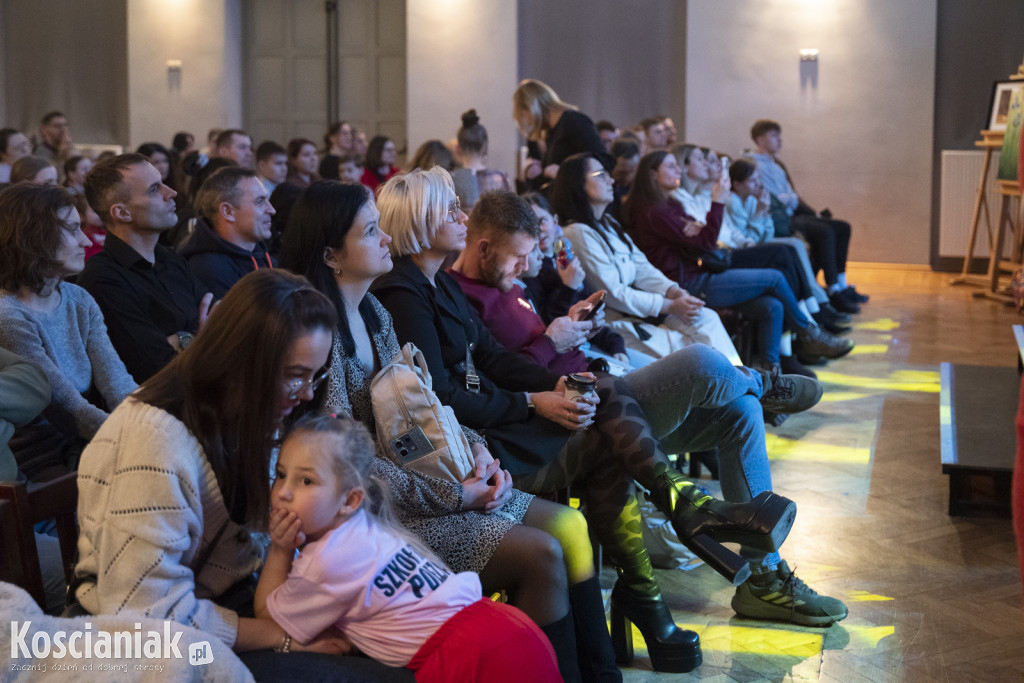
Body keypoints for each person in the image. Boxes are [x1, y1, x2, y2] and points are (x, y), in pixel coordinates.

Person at [370, 167, 813, 672]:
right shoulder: (407, 291)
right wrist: (537, 399)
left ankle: (661, 570)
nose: (462, 217)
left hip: (524, 409)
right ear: (421, 221)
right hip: (480, 447)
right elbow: (442, 396)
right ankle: (681, 524)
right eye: (450, 210)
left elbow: (493, 357)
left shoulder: (438, 286)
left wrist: (552, 384)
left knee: (715, 408)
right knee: (651, 395)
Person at [279, 180, 620, 682]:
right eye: (370, 231)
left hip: (425, 483)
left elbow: (428, 406)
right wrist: (455, 494)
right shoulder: (318, 335)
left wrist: (479, 455)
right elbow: (347, 467)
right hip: (373, 515)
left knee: (571, 526)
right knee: (542, 554)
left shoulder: (373, 312)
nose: (385, 239)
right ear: (331, 255)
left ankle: (599, 675)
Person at [72, 269, 417, 680]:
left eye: (315, 375)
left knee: (409, 648)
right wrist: (279, 636)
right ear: (240, 359)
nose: (307, 393)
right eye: (295, 375)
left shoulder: (248, 409)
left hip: (239, 603)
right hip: (157, 647)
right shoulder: (154, 442)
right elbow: (144, 614)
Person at [256, 414, 561, 682]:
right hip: (508, 630)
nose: (283, 492)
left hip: (470, 659)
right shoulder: (367, 529)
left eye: (306, 481)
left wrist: (281, 549)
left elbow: (267, 621)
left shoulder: (322, 562)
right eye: (281, 475)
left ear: (350, 500)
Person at [622, 151, 854, 370]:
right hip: (687, 285)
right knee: (775, 277)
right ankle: (808, 332)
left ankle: (772, 376)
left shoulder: (668, 204)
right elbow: (706, 241)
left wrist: (703, 230)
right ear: (652, 173)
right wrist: (718, 203)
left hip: (698, 273)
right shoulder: (654, 211)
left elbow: (701, 236)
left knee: (772, 305)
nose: (678, 171)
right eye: (671, 166)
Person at [550, 152, 743, 366]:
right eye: (600, 174)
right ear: (577, 184)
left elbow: (642, 267)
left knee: (706, 318)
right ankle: (741, 386)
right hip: (616, 323)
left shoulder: (607, 223)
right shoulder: (576, 233)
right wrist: (669, 305)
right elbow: (613, 293)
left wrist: (672, 290)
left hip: (643, 311)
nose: (611, 180)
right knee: (690, 348)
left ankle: (745, 380)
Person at [0, 184, 136, 481]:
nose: (86, 240)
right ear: (34, 235)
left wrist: (152, 423)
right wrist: (138, 442)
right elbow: (65, 408)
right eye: (73, 229)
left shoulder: (77, 298)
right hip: (36, 463)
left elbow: (118, 383)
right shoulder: (8, 315)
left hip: (84, 444)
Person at [77, 153, 214, 382]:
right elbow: (156, 366)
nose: (171, 193)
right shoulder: (103, 279)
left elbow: (219, 319)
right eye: (154, 189)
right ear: (122, 212)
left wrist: (180, 339)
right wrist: (198, 336)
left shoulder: (169, 258)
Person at [749, 119, 868, 311]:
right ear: (759, 139)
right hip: (782, 219)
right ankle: (832, 290)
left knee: (842, 226)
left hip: (792, 213)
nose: (779, 141)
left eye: (780, 136)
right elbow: (776, 198)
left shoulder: (776, 165)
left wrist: (801, 205)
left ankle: (841, 283)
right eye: (774, 136)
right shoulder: (756, 164)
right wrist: (790, 199)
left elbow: (792, 197)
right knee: (825, 231)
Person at [724, 157, 851, 335]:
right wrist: (760, 215)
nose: (757, 185)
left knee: (794, 245)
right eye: (752, 181)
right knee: (787, 251)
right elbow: (748, 241)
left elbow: (765, 234)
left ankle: (817, 306)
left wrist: (763, 213)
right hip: (742, 252)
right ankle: (814, 312)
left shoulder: (752, 200)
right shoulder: (733, 202)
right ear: (737, 184)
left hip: (756, 243)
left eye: (758, 180)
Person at [179, 166, 277, 298]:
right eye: (260, 202)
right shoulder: (210, 269)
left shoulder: (264, 257)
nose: (271, 210)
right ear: (228, 212)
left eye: (267, 200)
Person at [513, 78, 613, 182]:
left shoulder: (574, 122)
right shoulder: (550, 133)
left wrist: (564, 172)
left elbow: (604, 161)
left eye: (526, 116)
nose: (529, 123)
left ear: (532, 108)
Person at [451, 109, 512, 211]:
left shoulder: (450, 179)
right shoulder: (500, 177)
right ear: (485, 147)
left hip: (463, 226)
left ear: (458, 148)